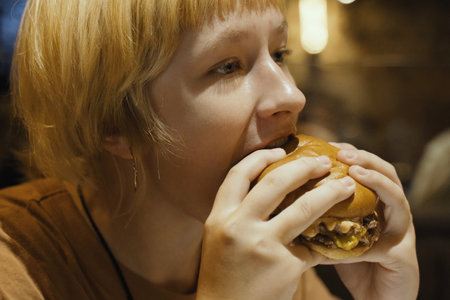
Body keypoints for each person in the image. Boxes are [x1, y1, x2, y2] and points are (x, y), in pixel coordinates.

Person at [0, 0, 419, 299]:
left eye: (279, 53)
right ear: (115, 122)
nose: (293, 95)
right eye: (228, 66)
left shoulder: (262, 247)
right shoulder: (17, 266)